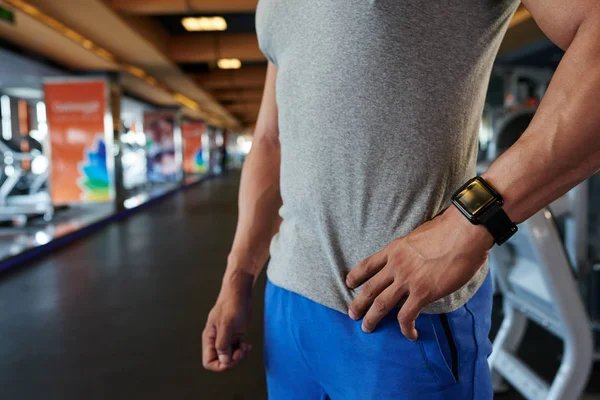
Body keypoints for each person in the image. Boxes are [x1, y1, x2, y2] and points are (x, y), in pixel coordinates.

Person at [202, 1, 600, 398]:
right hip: (287, 303)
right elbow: (271, 141)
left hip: (400, 312)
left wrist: (469, 223)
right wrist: (238, 275)